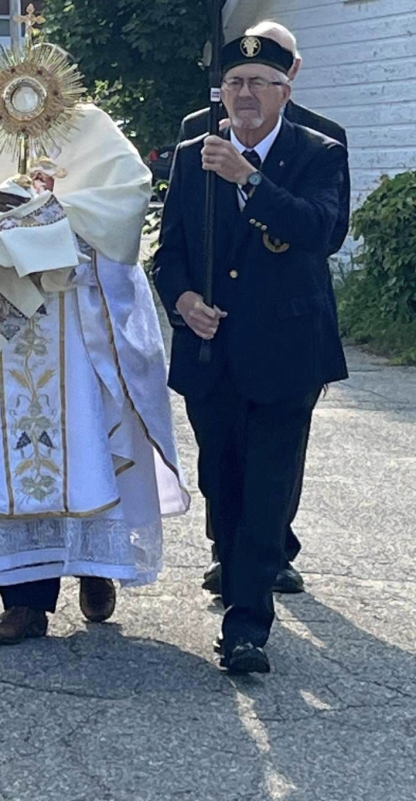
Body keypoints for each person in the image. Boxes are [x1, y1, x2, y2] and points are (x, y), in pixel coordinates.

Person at [0, 84, 189, 646]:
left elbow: (128, 199)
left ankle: (96, 567)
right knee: (12, 452)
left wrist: (57, 211)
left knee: (88, 442)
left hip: (79, 323)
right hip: (12, 319)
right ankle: (25, 602)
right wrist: (5, 204)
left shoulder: (92, 127)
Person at [154, 33, 348, 674]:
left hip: (288, 347)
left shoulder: (318, 152)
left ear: (284, 92)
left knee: (268, 486)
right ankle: (235, 571)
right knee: (223, 479)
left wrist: (251, 180)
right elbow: (170, 251)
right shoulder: (192, 156)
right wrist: (181, 299)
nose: (244, 95)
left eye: (259, 83)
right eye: (235, 83)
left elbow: (322, 231)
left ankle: (246, 627)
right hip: (213, 350)